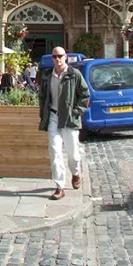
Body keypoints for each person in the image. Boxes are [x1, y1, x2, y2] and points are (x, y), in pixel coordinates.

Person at [38, 46, 90, 201]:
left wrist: (76, 112)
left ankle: (76, 173)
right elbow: (42, 96)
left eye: (60, 56)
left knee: (73, 154)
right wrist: (44, 115)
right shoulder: (47, 76)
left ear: (65, 57)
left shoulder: (74, 74)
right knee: (55, 152)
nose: (57, 59)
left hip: (69, 119)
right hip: (53, 117)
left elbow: (85, 95)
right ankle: (59, 186)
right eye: (54, 56)